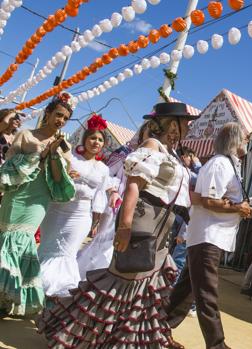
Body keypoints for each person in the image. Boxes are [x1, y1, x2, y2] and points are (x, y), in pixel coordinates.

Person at [37, 102, 196, 347]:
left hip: (162, 226)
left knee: (143, 290)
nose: (188, 126)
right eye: (185, 122)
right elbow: (133, 185)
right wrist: (125, 226)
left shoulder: (170, 153)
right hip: (144, 222)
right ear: (172, 124)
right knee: (120, 283)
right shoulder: (151, 146)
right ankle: (73, 334)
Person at [167, 122, 252, 349]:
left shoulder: (228, 165)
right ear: (235, 140)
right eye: (245, 138)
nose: (247, 142)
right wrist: (238, 208)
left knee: (185, 291)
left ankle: (158, 330)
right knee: (207, 294)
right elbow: (208, 200)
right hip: (208, 236)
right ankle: (217, 345)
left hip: (209, 236)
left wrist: (240, 206)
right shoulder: (219, 164)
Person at [0, 92, 76, 317]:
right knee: (6, 240)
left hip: (39, 198)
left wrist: (54, 154)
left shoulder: (65, 146)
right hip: (18, 194)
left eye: (65, 118)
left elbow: (58, 177)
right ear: (48, 113)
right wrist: (42, 153)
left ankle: (7, 298)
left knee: (22, 243)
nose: (60, 120)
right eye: (58, 115)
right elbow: (9, 167)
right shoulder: (26, 135)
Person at [38, 114, 116, 299]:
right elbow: (52, 173)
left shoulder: (104, 169)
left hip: (80, 216)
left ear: (103, 145)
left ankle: (58, 294)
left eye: (99, 140)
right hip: (56, 210)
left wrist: (96, 222)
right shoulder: (70, 157)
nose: (95, 142)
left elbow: (99, 197)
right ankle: (36, 288)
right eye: (92, 138)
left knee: (67, 252)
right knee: (47, 248)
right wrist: (65, 173)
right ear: (85, 139)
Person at [76, 122, 150, 278]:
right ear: (142, 133)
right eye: (149, 132)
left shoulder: (153, 158)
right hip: (115, 204)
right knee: (102, 240)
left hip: (137, 209)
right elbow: (106, 174)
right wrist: (114, 191)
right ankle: (87, 276)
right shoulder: (125, 153)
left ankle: (107, 280)